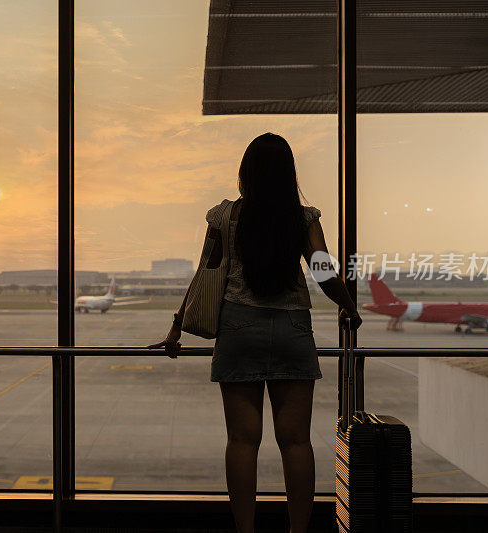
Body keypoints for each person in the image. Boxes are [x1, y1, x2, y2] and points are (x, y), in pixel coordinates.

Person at [149, 133, 362, 533]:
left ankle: (245, 530)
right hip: (292, 328)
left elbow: (204, 274)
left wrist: (177, 325)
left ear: (245, 173)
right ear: (288, 174)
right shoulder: (302, 218)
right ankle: (299, 530)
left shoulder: (225, 217)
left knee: (243, 441)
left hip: (238, 327)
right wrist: (348, 306)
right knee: (296, 442)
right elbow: (322, 270)